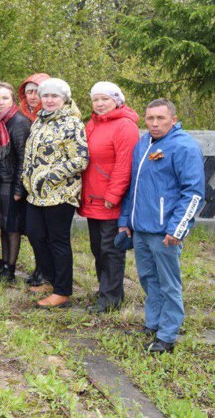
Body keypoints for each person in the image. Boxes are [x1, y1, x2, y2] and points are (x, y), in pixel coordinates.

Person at [119, 99, 205, 353]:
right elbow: (133, 188)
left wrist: (177, 229)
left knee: (169, 282)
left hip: (165, 232)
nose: (154, 124)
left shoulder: (184, 147)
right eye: (150, 118)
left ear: (174, 120)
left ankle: (168, 334)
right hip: (141, 228)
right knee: (148, 278)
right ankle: (153, 323)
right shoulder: (143, 144)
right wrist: (126, 222)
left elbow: (193, 193)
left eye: (161, 119)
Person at [22, 78, 88, 308]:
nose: (49, 100)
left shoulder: (72, 123)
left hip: (61, 193)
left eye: (54, 96)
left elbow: (80, 159)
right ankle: (49, 279)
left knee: (57, 240)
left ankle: (63, 291)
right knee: (34, 234)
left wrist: (50, 175)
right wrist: (27, 177)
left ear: (64, 99)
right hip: (36, 194)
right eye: (46, 96)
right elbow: (30, 154)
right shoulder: (39, 121)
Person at [78, 82, 139, 313]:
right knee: (98, 248)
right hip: (92, 197)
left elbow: (125, 165)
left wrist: (113, 195)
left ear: (117, 100)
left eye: (105, 99)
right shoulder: (92, 123)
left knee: (111, 250)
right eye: (96, 100)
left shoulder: (125, 126)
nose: (100, 104)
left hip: (110, 200)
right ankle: (106, 289)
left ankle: (111, 299)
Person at [0, 80, 31, 283]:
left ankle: (10, 269)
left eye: (5, 98)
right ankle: (3, 263)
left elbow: (24, 157)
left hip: (12, 184)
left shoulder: (19, 122)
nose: (0, 102)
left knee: (13, 228)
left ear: (12, 99)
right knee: (3, 228)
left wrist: (19, 188)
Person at [17, 72, 51, 286]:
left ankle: (45, 270)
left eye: (36, 92)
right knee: (32, 231)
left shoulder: (49, 116)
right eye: (28, 91)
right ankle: (40, 267)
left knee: (45, 232)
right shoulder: (21, 114)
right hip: (26, 179)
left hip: (46, 181)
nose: (32, 96)